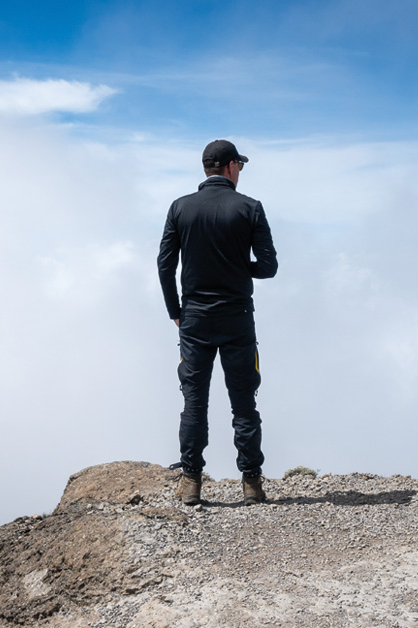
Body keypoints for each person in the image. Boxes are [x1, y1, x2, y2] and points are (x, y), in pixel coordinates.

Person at [157, 139, 278, 506]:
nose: (240, 171)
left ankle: (191, 482)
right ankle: (252, 483)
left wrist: (175, 310)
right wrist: (238, 267)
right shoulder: (250, 207)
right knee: (244, 402)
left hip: (194, 319)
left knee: (194, 401)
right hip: (237, 318)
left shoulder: (180, 207)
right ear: (229, 166)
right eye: (239, 165)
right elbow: (268, 267)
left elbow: (165, 264)